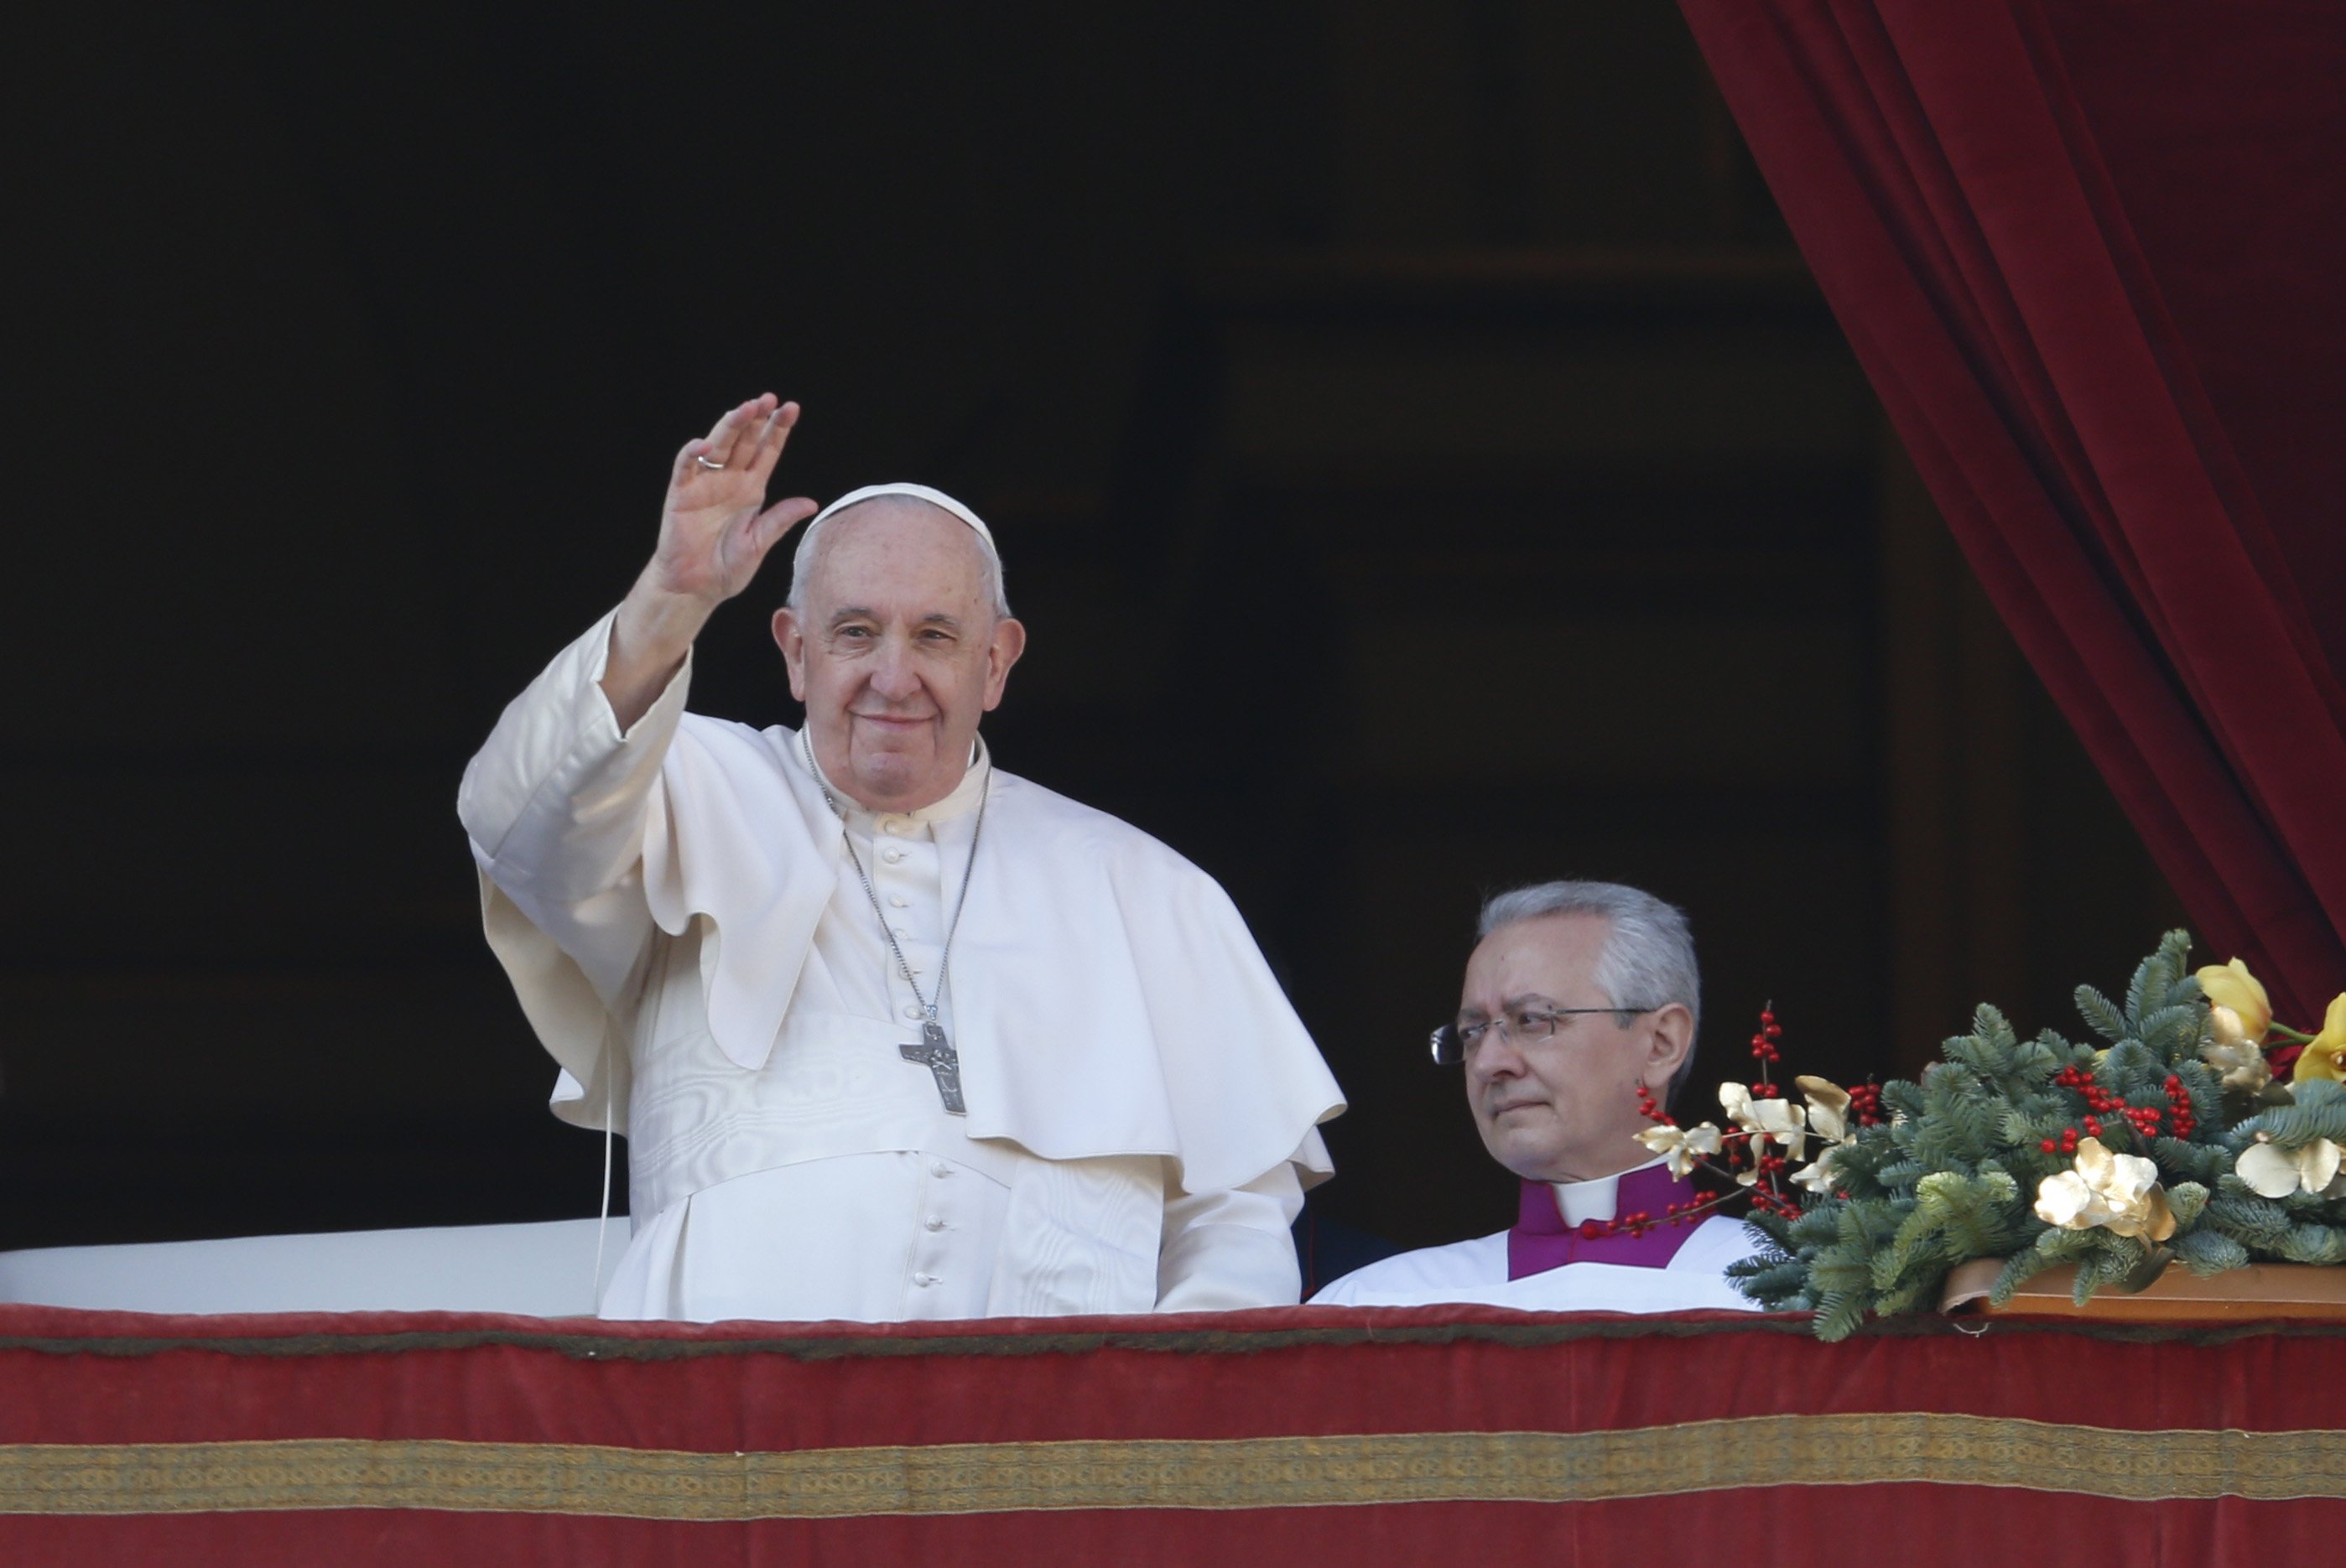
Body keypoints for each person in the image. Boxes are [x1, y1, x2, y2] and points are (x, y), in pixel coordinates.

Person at [460, 394, 1344, 1323]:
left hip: (1051, 1447)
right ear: (794, 653)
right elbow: (517, 819)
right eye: (853, 633)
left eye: (934, 636)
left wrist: (1156, 1431)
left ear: (995, 663)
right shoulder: (683, 788)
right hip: (727, 1436)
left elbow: (1234, 1223)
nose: (893, 677)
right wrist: (669, 602)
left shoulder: (1148, 891)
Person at [1310, 880, 1760, 1311]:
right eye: (1472, 1032)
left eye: (1532, 1020)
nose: (1487, 1063)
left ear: (1661, 1043)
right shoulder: (1376, 1304)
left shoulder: (1800, 1290)